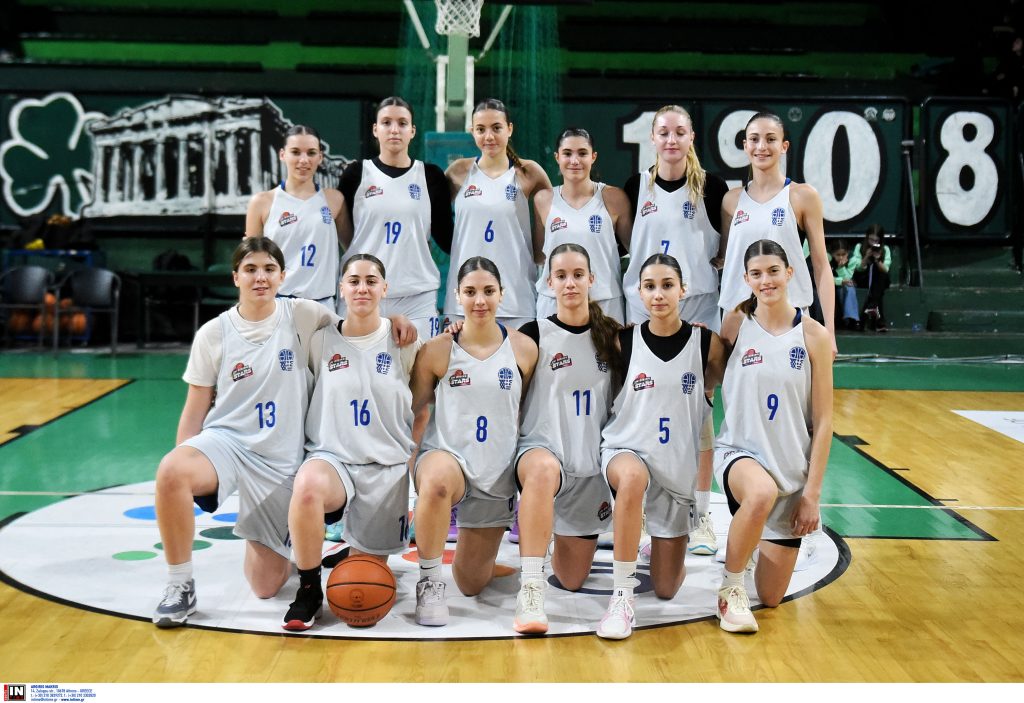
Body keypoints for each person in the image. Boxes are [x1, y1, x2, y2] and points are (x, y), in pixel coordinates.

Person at [151, 237, 336, 628]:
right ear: (236, 277)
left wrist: (396, 323)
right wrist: (182, 470)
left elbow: (355, 331)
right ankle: (180, 585)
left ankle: (291, 540)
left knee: (265, 586)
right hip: (228, 443)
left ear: (282, 276)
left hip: (281, 460)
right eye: (250, 269)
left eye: (269, 269)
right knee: (171, 470)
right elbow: (195, 409)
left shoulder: (303, 315)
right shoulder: (214, 333)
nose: (260, 277)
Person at [281, 254, 425, 630]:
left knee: (363, 585)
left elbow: (421, 408)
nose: (362, 288)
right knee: (307, 486)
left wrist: (411, 466)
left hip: (386, 469)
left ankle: (351, 547)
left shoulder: (405, 342)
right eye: (354, 281)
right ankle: (308, 589)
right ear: (341, 288)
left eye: (371, 281)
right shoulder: (319, 339)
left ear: (385, 289)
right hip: (333, 458)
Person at [595, 253, 726, 640]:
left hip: (676, 474)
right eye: (649, 286)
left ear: (683, 290)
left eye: (667, 285)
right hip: (627, 451)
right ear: (638, 292)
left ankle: (660, 542)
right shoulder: (622, 341)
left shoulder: (706, 343)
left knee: (667, 588)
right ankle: (622, 596)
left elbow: (719, 386)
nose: (658, 294)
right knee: (632, 478)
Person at [622, 104, 729, 556]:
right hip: (643, 308)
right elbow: (627, 244)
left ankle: (700, 514)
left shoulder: (713, 188)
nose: (671, 139)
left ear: (691, 138)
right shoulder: (634, 187)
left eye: (679, 132)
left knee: (699, 413)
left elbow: (726, 247)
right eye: (663, 132)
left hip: (697, 307)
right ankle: (646, 509)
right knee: (643, 407)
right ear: (652, 137)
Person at [410, 256, 539, 627]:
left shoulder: (524, 349)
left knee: (470, 583)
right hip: (447, 457)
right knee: (436, 481)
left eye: (487, 291)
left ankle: (485, 563)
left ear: (502, 294)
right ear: (456, 296)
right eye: (470, 292)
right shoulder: (437, 350)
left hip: (495, 473)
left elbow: (526, 412)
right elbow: (414, 411)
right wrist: (408, 469)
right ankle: (429, 582)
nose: (479, 300)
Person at [713, 239, 833, 634]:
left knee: (771, 596)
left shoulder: (813, 336)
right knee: (760, 491)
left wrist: (811, 495)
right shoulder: (735, 323)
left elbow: (824, 421)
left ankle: (747, 545)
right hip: (739, 455)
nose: (766, 280)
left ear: (790, 273)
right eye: (757, 274)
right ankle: (730, 590)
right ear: (746, 279)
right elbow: (712, 377)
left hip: (790, 473)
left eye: (773, 271)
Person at [512, 243, 622, 634]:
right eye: (561, 276)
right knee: (542, 471)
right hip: (542, 451)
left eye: (578, 275)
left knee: (572, 578)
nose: (570, 283)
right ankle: (531, 589)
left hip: (589, 469)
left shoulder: (613, 337)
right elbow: (484, 349)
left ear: (592, 279)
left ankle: (550, 531)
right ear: (549, 283)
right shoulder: (533, 334)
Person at [719, 112, 837, 357]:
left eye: (770, 139)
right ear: (745, 145)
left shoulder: (803, 196)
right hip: (738, 320)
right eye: (754, 139)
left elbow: (821, 265)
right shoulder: (731, 201)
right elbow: (723, 260)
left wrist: (830, 331)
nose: (761, 146)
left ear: (784, 146)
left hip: (790, 317)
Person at [336, 97, 453, 340]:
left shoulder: (430, 176)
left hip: (416, 295)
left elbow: (447, 238)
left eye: (402, 123)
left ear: (412, 131)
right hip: (363, 291)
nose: (394, 129)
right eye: (386, 122)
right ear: (375, 129)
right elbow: (348, 237)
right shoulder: (356, 174)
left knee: (420, 363)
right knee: (356, 363)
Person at [443, 99, 553, 331]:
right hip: (464, 301)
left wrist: (539, 257)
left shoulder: (529, 172)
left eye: (496, 128)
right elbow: (434, 220)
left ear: (509, 129)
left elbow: (549, 229)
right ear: (472, 131)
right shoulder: (458, 172)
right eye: (481, 129)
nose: (489, 136)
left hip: (516, 298)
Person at [532, 128, 631, 324]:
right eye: (567, 153)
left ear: (593, 157)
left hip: (605, 301)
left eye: (582, 153)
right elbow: (539, 256)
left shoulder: (614, 198)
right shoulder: (543, 200)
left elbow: (636, 252)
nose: (575, 160)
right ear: (557, 157)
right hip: (554, 301)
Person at [244, 125, 345, 309]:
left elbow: (353, 249)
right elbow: (249, 263)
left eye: (311, 153)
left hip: (324, 305)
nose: (303, 160)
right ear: (283, 155)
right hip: (278, 304)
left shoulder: (334, 199)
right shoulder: (262, 202)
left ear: (320, 157)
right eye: (296, 152)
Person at [850, 224, 892, 333]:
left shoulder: (885, 249)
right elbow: (858, 268)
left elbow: (886, 269)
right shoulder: (859, 247)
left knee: (880, 277)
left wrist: (877, 260)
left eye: (876, 240)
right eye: (871, 240)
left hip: (879, 280)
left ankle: (865, 317)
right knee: (877, 290)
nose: (873, 243)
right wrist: (866, 256)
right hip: (864, 277)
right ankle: (879, 320)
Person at [830, 239, 861, 331]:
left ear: (847, 252)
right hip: (831, 285)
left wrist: (841, 268)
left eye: (843, 254)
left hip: (844, 285)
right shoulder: (827, 259)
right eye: (838, 255)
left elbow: (848, 278)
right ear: (832, 253)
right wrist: (839, 281)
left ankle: (852, 319)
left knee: (849, 288)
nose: (841, 257)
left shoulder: (852, 260)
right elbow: (826, 278)